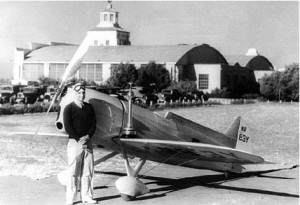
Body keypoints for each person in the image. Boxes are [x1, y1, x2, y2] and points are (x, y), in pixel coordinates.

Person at [63, 82, 97, 205]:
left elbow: (93, 124)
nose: (82, 95)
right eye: (79, 93)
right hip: (74, 143)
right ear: (74, 93)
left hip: (88, 142)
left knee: (88, 171)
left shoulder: (89, 107)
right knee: (73, 172)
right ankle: (70, 198)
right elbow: (68, 127)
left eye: (83, 93)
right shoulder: (69, 108)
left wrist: (88, 136)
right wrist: (79, 139)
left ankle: (86, 196)